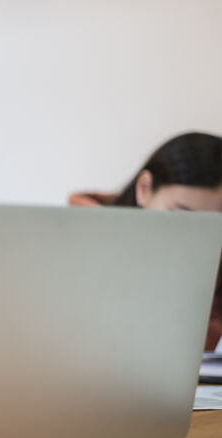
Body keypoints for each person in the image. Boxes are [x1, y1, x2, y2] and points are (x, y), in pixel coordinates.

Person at [69, 132, 222, 350]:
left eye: (213, 225)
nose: (195, 236)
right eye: (180, 216)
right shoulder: (75, 243)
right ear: (144, 188)